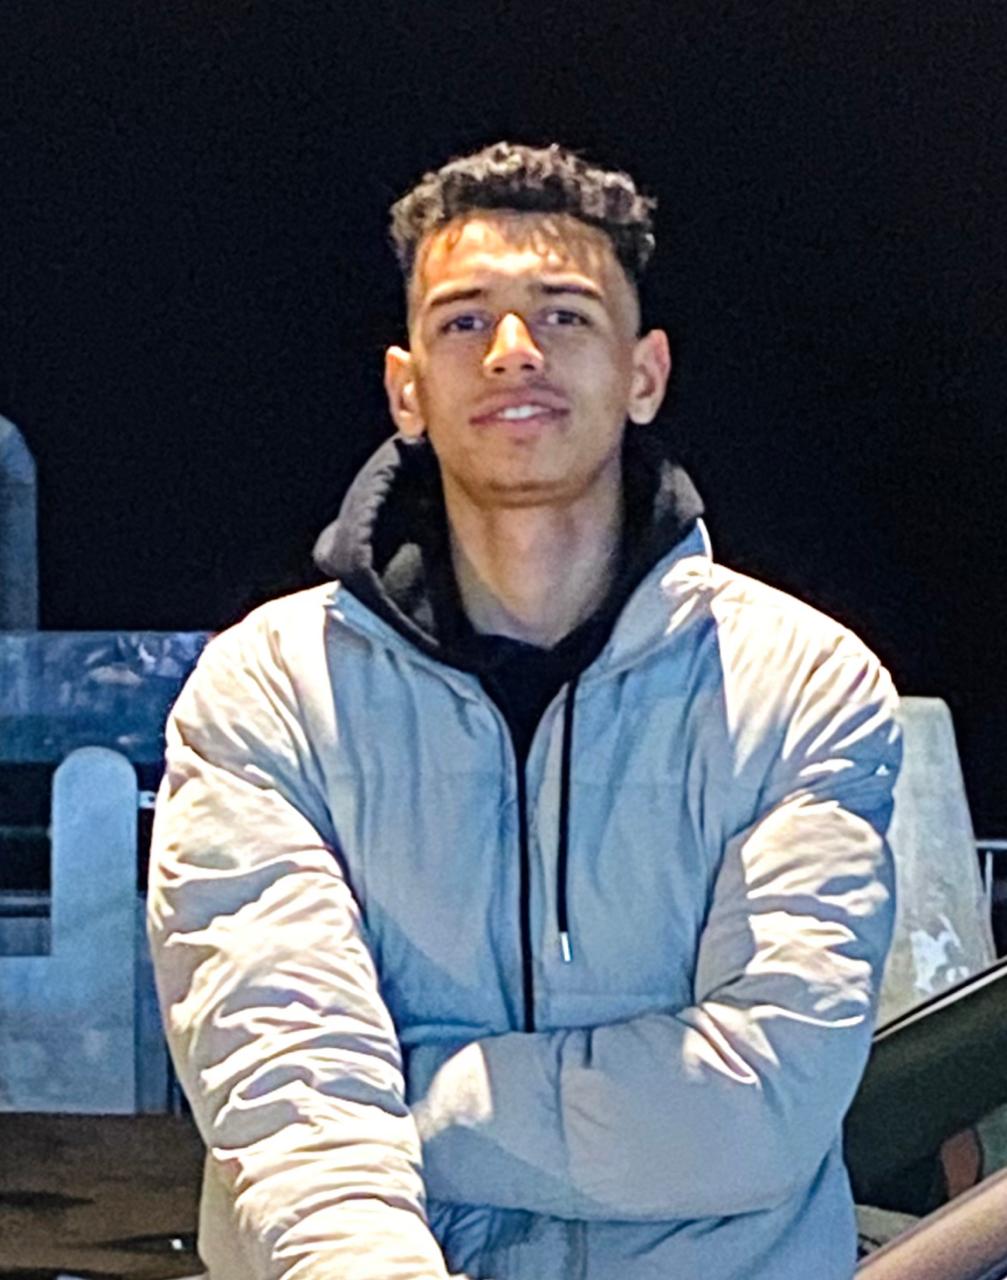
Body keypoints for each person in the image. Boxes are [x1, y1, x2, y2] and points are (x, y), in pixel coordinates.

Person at [148, 140, 903, 1280]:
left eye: (563, 315)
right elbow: (285, 1078)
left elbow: (756, 1099)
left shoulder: (802, 686)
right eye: (463, 321)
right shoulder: (268, 690)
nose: (512, 349)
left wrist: (404, 1098)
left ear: (644, 373)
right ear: (406, 388)